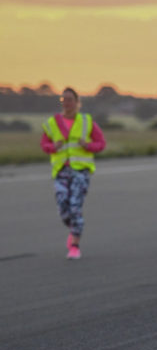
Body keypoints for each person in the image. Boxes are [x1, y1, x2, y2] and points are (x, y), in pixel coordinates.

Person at [40, 87, 106, 259]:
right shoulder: (52, 123)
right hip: (61, 170)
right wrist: (52, 147)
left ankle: (75, 245)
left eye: (70, 99)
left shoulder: (86, 121)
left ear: (77, 102)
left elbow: (101, 143)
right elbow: (44, 144)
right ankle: (73, 227)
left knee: (75, 206)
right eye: (64, 100)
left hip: (80, 171)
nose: (67, 103)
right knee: (63, 206)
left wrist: (88, 145)